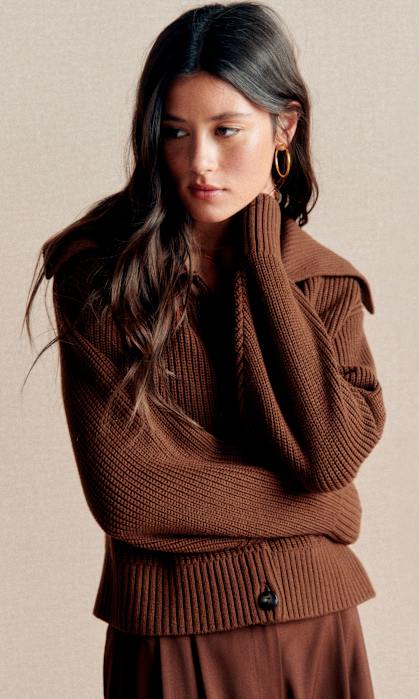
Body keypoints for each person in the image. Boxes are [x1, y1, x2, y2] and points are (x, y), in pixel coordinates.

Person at [23, 2, 386, 697]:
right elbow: (131, 494)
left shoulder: (325, 282)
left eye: (226, 130)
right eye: (175, 133)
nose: (200, 162)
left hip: (319, 629)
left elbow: (331, 455)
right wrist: (323, 510)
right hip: (173, 637)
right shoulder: (99, 276)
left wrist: (263, 260)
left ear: (284, 128)